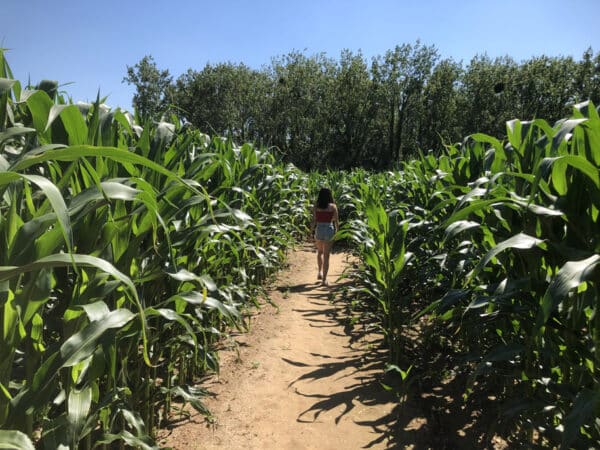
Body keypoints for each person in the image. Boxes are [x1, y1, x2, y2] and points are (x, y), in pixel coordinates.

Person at [310, 187, 339, 286]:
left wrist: (311, 232)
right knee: (326, 255)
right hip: (329, 229)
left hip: (319, 229)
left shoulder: (316, 206)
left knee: (320, 252)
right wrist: (337, 232)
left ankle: (319, 272)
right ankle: (324, 280)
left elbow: (314, 220)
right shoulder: (333, 207)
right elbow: (336, 221)